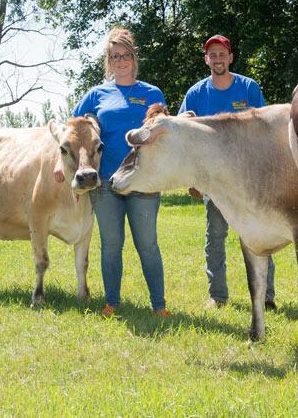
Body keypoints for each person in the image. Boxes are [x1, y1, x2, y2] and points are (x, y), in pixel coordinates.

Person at [57, 27, 171, 318]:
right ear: (108, 60)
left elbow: (165, 129)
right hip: (106, 182)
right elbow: (72, 131)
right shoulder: (96, 94)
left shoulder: (152, 93)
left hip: (144, 181)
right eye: (114, 56)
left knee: (147, 245)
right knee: (110, 246)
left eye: (126, 55)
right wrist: (61, 165)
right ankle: (112, 303)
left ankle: (159, 306)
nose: (121, 61)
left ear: (134, 58)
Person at [178, 34, 276, 310]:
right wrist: (192, 177)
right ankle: (218, 296)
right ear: (206, 59)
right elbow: (185, 134)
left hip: (249, 179)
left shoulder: (248, 87)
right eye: (213, 54)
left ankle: (266, 295)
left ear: (230, 57)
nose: (218, 59)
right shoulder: (195, 94)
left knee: (257, 235)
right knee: (215, 239)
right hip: (213, 181)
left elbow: (265, 128)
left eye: (222, 54)